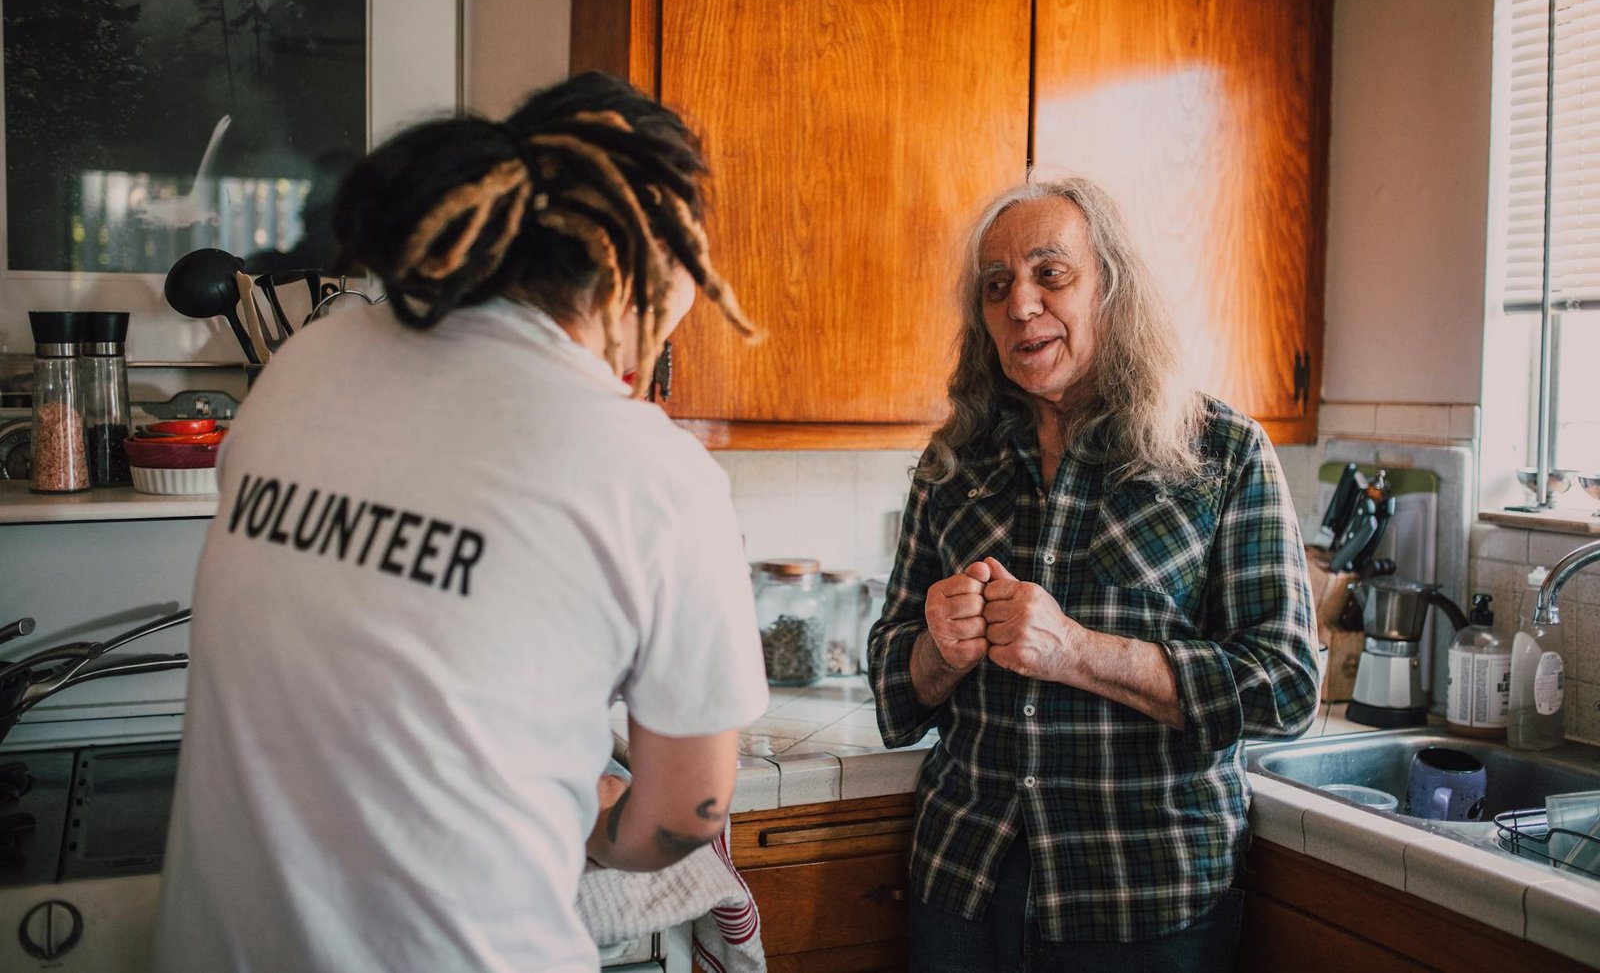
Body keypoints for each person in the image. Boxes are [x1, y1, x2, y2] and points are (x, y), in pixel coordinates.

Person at [153, 72, 770, 972]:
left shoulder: (310, 361)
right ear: (659, 262)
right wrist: (591, 828)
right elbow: (686, 813)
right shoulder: (651, 473)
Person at [867, 176, 1318, 972]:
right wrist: (936, 648)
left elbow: (1284, 689)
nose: (1021, 305)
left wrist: (1077, 652)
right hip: (966, 887)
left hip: (1145, 899)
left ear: (1112, 287)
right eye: (997, 286)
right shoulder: (952, 464)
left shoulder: (1221, 455)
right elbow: (893, 699)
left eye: (1052, 274)